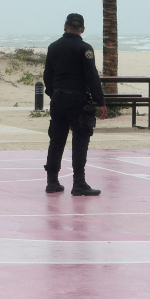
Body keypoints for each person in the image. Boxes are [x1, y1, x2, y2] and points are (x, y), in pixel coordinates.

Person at [43, 13, 106, 196]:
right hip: (78, 100)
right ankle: (78, 183)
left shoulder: (53, 47)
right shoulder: (84, 48)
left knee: (56, 140)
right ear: (82, 30)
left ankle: (52, 181)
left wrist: (53, 93)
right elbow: (92, 77)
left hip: (58, 99)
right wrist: (100, 101)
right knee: (80, 140)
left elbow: (48, 75)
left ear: (65, 27)